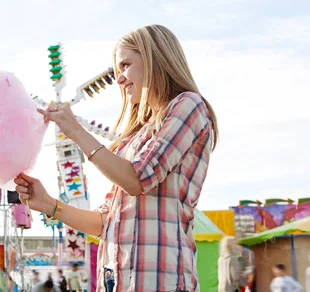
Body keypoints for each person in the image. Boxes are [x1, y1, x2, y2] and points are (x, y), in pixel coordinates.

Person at [14, 25, 218, 292]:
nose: (119, 79)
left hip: (160, 277)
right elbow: (104, 222)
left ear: (155, 59)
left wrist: (76, 131)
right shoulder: (132, 139)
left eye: (125, 65)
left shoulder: (188, 105)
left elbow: (136, 179)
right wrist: (49, 204)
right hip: (117, 279)